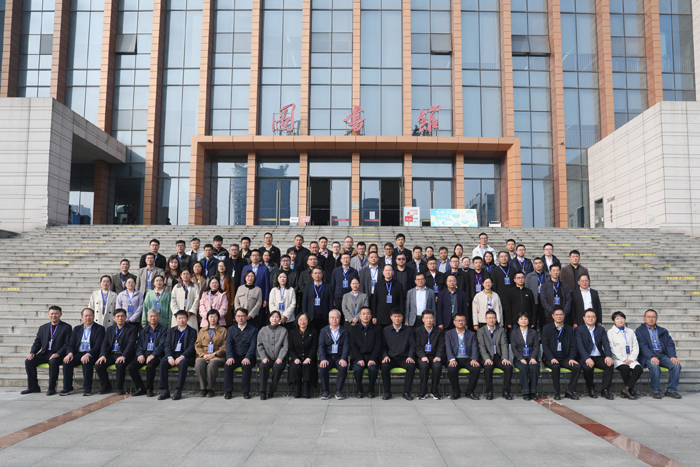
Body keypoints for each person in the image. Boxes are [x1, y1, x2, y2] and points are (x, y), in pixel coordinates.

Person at [22, 306, 72, 395]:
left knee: (53, 361)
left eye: (56, 313)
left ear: (60, 314)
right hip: (45, 353)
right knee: (29, 361)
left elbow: (67, 344)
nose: (54, 316)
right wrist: (32, 352)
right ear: (48, 315)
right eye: (52, 313)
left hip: (58, 355)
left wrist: (58, 353)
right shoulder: (43, 328)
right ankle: (33, 387)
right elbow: (37, 343)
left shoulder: (66, 327)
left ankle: (52, 388)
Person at [635, 309, 682, 399]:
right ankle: (655, 390)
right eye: (648, 317)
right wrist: (651, 356)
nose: (651, 319)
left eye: (653, 317)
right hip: (647, 356)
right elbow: (642, 346)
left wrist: (672, 356)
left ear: (656, 318)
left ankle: (671, 390)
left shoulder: (662, 330)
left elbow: (669, 344)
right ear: (644, 318)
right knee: (654, 365)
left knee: (676, 365)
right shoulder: (640, 330)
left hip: (661, 354)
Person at [61, 308, 105, 396]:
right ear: (82, 317)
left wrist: (88, 354)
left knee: (86, 361)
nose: (88, 317)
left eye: (90, 315)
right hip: (78, 353)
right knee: (67, 361)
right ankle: (68, 387)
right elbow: (71, 343)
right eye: (86, 316)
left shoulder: (100, 329)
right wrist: (70, 353)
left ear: (94, 316)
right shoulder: (77, 329)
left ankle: (87, 388)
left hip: (92, 353)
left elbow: (98, 345)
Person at [541, 307, 581, 400]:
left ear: (564, 316)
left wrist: (571, 358)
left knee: (577, 367)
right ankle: (557, 392)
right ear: (553, 316)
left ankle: (570, 391)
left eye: (561, 314)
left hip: (565, 358)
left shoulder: (569, 329)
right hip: (550, 358)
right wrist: (551, 358)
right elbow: (545, 346)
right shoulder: (547, 328)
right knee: (556, 366)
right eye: (557, 314)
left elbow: (573, 345)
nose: (559, 316)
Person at [95, 308, 137, 395]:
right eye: (118, 316)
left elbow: (131, 344)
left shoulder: (132, 328)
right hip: (112, 354)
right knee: (99, 365)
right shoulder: (110, 329)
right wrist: (102, 355)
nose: (120, 318)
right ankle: (106, 386)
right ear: (114, 318)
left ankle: (119, 388)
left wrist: (124, 355)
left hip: (125, 354)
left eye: (122, 316)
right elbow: (105, 343)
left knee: (120, 364)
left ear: (126, 317)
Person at [575, 309, 615, 400]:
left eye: (593, 317)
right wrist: (587, 358)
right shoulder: (579, 329)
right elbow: (580, 345)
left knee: (609, 365)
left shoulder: (600, 329)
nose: (590, 318)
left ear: (596, 318)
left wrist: (608, 356)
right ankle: (591, 389)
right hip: (586, 356)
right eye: (588, 316)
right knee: (587, 368)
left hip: (599, 356)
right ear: (584, 318)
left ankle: (605, 390)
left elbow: (606, 343)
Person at [158, 310, 197, 400]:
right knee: (163, 363)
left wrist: (182, 357)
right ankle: (165, 390)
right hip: (172, 355)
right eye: (179, 318)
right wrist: (169, 357)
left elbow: (191, 347)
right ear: (176, 319)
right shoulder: (170, 331)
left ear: (187, 318)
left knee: (183, 364)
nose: (181, 320)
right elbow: (167, 345)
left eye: (183, 318)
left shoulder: (192, 331)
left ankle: (178, 390)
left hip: (186, 356)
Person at [128, 309, 167, 397]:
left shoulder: (164, 330)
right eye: (151, 316)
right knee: (131, 367)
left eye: (155, 316)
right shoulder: (143, 332)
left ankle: (149, 389)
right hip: (144, 354)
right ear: (148, 318)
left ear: (159, 318)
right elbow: (139, 345)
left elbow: (162, 345)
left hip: (157, 355)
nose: (153, 318)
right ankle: (141, 388)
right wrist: (140, 354)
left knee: (150, 366)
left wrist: (153, 355)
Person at [476, 310, 514, 400]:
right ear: (485, 319)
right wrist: (486, 359)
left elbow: (504, 344)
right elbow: (481, 346)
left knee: (508, 367)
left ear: (496, 319)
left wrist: (505, 358)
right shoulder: (481, 331)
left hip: (498, 356)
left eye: (493, 318)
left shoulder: (501, 330)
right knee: (488, 367)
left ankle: (506, 391)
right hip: (486, 357)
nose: (491, 320)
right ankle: (489, 391)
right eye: (489, 318)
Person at [380, 308, 416, 400]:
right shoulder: (385, 330)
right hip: (391, 358)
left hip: (404, 358)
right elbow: (383, 346)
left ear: (402, 317)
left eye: (399, 316)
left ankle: (406, 392)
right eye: (395, 316)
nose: (397, 318)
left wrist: (410, 356)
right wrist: (385, 356)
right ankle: (387, 392)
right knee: (384, 366)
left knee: (411, 366)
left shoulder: (409, 330)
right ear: (391, 317)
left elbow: (412, 345)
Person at [607, 311, 643, 400]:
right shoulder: (610, 332)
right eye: (617, 318)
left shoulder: (630, 331)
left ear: (625, 319)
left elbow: (635, 346)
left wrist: (631, 358)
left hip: (630, 358)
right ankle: (630, 390)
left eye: (622, 318)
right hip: (618, 359)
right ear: (614, 321)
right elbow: (612, 347)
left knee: (638, 368)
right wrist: (623, 359)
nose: (620, 320)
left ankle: (626, 389)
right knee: (625, 368)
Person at [224, 308, 258, 399]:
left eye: (243, 316)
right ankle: (228, 391)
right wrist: (230, 357)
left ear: (247, 317)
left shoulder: (253, 330)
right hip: (234, 356)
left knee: (246, 366)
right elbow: (229, 344)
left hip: (247, 356)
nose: (240, 318)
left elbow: (253, 346)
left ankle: (245, 392)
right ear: (235, 317)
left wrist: (247, 357)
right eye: (238, 316)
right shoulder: (231, 329)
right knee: (228, 366)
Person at [445, 313, 480, 400]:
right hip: (455, 358)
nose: (460, 322)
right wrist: (451, 359)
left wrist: (474, 358)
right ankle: (456, 391)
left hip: (468, 358)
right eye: (458, 320)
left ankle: (470, 391)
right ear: (454, 322)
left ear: (465, 322)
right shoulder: (448, 334)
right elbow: (448, 348)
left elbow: (475, 347)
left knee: (476, 368)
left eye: (462, 320)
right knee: (452, 369)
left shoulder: (471, 334)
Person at [349, 307, 382, 398]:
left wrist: (373, 358)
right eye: (363, 314)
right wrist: (359, 358)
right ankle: (359, 389)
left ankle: (371, 389)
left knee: (373, 369)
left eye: (368, 313)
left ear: (371, 316)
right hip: (359, 357)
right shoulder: (354, 329)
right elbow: (353, 346)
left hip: (372, 357)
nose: (365, 316)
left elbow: (378, 346)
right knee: (358, 369)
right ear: (359, 316)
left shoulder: (377, 329)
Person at [194, 309, 227, 398]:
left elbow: (224, 346)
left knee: (212, 365)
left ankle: (211, 388)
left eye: (215, 316)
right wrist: (203, 354)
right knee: (198, 365)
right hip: (204, 355)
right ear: (207, 318)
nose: (213, 318)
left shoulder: (223, 330)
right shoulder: (202, 330)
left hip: (217, 356)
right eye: (211, 316)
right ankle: (203, 388)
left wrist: (213, 355)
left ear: (218, 318)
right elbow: (197, 345)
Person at [414, 310, 446, 400]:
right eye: (426, 318)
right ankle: (423, 391)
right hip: (422, 356)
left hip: (434, 356)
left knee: (437, 366)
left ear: (433, 319)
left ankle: (434, 390)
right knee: (424, 366)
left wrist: (438, 356)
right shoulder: (417, 331)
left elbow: (441, 345)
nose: (429, 320)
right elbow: (417, 346)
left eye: (431, 318)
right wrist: (422, 356)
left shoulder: (439, 331)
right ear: (423, 320)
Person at [319, 310, 350, 400]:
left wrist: (343, 358)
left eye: (336, 317)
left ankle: (338, 390)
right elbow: (321, 346)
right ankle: (326, 391)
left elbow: (346, 346)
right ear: (329, 319)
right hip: (328, 357)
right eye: (332, 317)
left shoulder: (345, 331)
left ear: (340, 319)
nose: (334, 319)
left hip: (339, 357)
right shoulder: (324, 331)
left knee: (343, 367)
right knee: (323, 367)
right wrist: (323, 358)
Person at [257, 311, 289, 399]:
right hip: (267, 358)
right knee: (263, 366)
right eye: (272, 317)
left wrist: (280, 358)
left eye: (277, 317)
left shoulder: (283, 331)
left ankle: (272, 389)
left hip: (279, 358)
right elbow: (259, 345)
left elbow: (285, 346)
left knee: (278, 367)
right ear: (269, 318)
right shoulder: (263, 330)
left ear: (280, 319)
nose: (274, 318)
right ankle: (263, 391)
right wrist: (263, 357)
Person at [288, 313, 319, 398]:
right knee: (296, 366)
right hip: (296, 358)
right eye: (300, 319)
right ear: (297, 321)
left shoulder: (314, 332)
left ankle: (306, 389)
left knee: (307, 366)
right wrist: (295, 358)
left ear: (308, 321)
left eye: (305, 319)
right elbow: (290, 349)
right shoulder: (292, 333)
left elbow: (314, 347)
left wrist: (308, 358)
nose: (303, 321)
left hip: (309, 358)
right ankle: (297, 389)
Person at [511, 313, 540, 400]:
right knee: (523, 368)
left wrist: (533, 357)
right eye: (521, 319)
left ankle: (533, 392)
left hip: (532, 357)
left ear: (528, 321)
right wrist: (520, 358)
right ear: (518, 321)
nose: (523, 321)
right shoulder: (514, 333)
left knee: (534, 367)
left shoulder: (533, 332)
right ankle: (526, 392)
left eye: (525, 319)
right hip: (519, 358)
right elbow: (514, 348)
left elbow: (536, 347)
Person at [525, 257, 549, 331]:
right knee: (533, 322)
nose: (538, 265)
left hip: (545, 301)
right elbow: (527, 289)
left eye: (539, 263)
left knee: (543, 322)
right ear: (533, 265)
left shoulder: (548, 275)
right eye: (536, 263)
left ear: (543, 264)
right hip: (534, 301)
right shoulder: (529, 276)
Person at [215, 261, 235, 326]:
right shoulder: (214, 277)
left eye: (223, 266)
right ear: (217, 267)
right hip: (216, 300)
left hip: (226, 300)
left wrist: (232, 303)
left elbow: (232, 291)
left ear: (226, 267)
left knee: (226, 320)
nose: (222, 267)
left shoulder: (230, 278)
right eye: (220, 266)